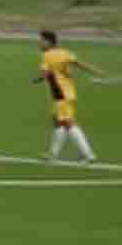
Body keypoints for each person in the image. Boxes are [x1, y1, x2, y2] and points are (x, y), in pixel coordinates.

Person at [33, 30, 106, 163]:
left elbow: (44, 72)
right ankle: (53, 155)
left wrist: (36, 79)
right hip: (67, 92)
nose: (39, 43)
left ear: (49, 42)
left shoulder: (47, 55)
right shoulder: (64, 53)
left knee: (68, 123)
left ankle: (88, 154)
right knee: (57, 121)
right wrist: (96, 71)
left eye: (42, 41)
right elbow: (79, 64)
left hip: (60, 93)